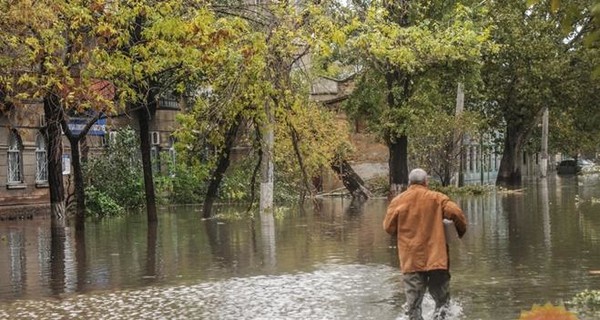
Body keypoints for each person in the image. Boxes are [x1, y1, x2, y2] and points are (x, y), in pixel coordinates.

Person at [383, 168, 467, 320]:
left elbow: (388, 227)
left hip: (411, 259)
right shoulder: (437, 198)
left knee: (413, 306)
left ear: (409, 183)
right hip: (437, 258)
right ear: (426, 182)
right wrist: (460, 232)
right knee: (442, 304)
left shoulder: (398, 201)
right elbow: (456, 213)